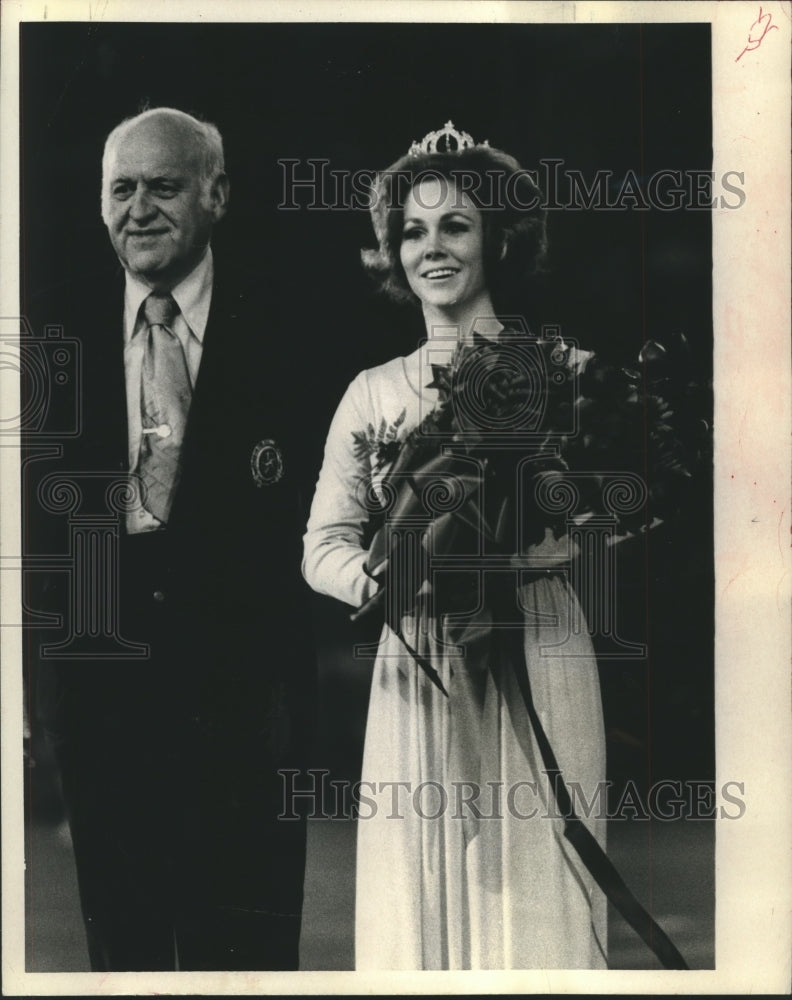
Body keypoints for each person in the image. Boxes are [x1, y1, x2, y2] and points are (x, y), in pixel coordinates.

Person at [302, 124, 609, 970]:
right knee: (421, 885)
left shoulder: (568, 374)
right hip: (418, 659)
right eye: (412, 231)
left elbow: (624, 509)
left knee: (541, 877)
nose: (430, 247)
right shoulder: (372, 393)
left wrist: (552, 527)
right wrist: (391, 576)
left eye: (455, 226)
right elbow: (321, 545)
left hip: (536, 642)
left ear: (499, 239)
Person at [22, 107, 312, 971]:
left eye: (164, 186)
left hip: (246, 711)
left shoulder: (291, 326)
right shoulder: (44, 332)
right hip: (101, 706)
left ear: (216, 194)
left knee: (248, 964)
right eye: (121, 189)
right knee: (125, 961)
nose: (139, 209)